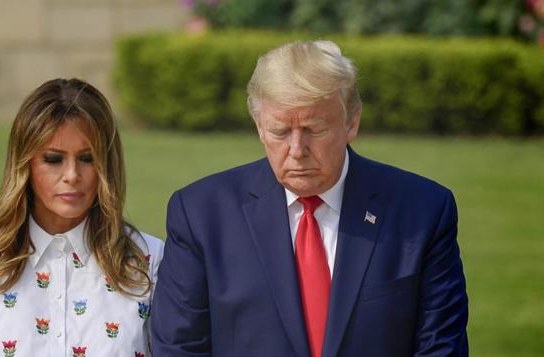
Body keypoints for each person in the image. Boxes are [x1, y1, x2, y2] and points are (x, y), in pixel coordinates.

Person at [151, 40, 468, 356]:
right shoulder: (200, 214)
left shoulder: (423, 211)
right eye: (280, 132)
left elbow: (440, 349)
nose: (297, 150)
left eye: (314, 129)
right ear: (259, 127)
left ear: (351, 122)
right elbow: (179, 348)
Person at [0, 78, 163, 356]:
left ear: (107, 163)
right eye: (54, 159)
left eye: (87, 158)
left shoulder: (149, 261)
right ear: (25, 164)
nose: (72, 175)